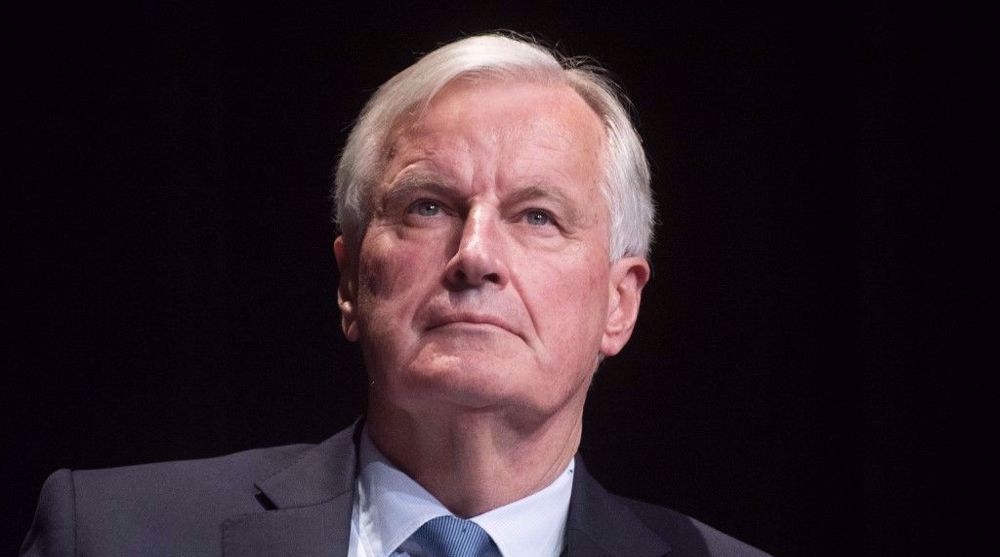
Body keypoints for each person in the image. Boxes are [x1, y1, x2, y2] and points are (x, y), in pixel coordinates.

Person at [21, 33, 772, 557]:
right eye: (428, 207)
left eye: (536, 215)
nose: (475, 255)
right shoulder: (116, 533)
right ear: (350, 280)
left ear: (619, 303)